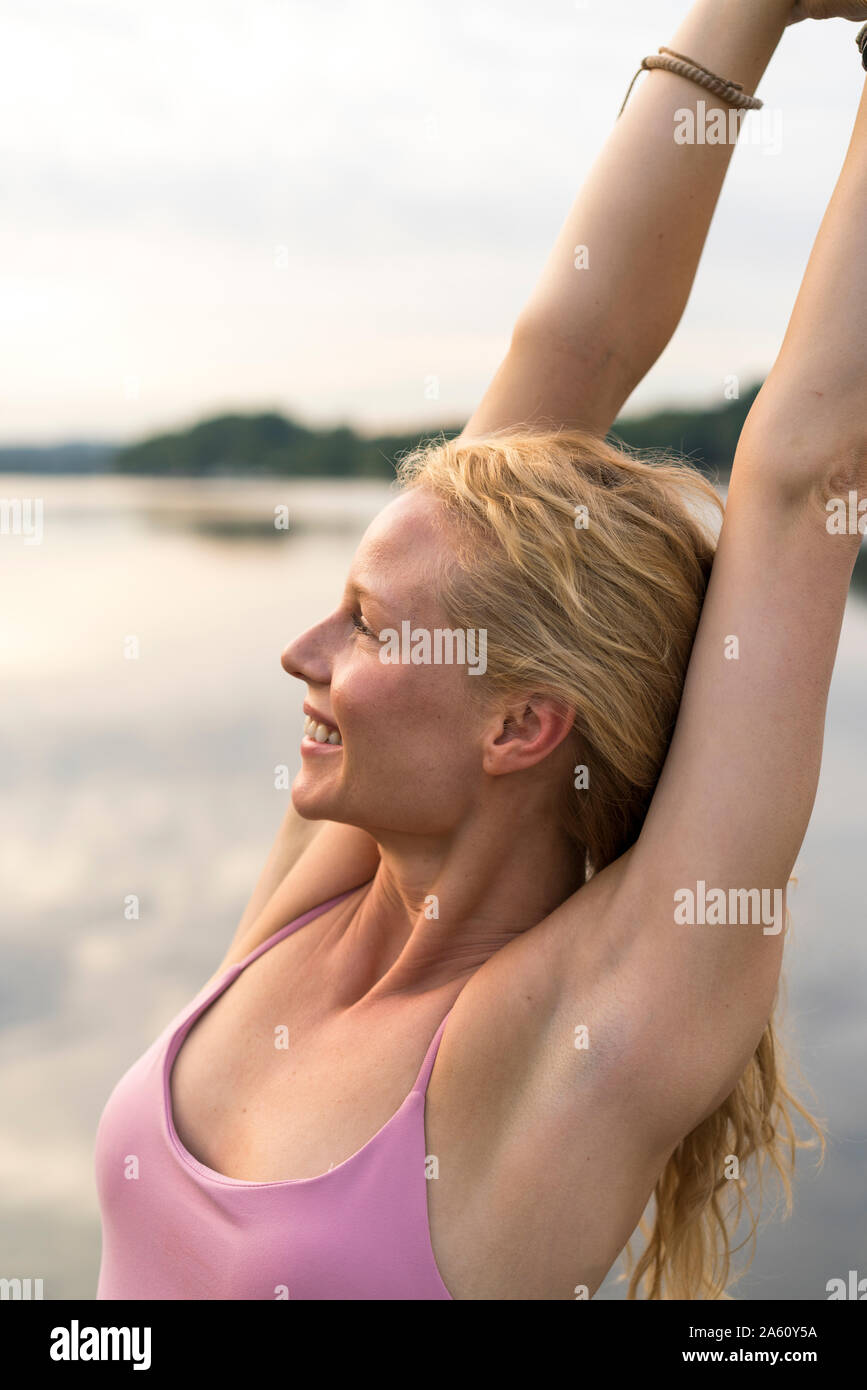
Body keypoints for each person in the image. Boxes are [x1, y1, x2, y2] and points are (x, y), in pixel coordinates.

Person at [95, 0, 867, 1300]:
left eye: (369, 628)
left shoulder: (583, 1035)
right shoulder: (329, 897)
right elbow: (568, 348)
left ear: (523, 725)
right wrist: (751, 10)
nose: (302, 651)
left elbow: (806, 476)